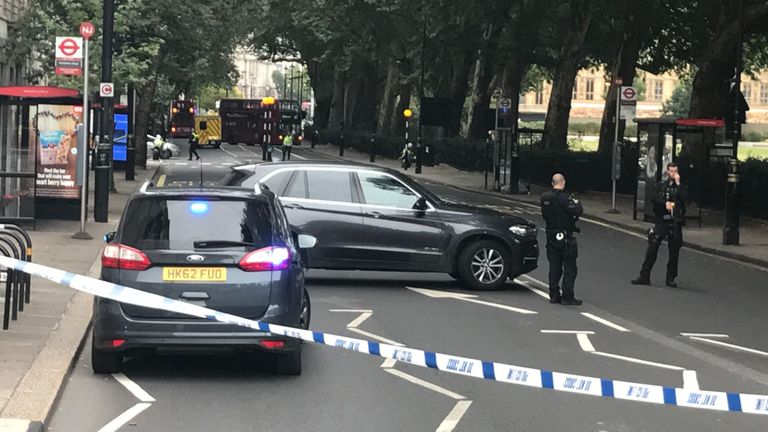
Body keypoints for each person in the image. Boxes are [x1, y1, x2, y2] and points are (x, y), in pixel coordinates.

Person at [632, 162, 688, 287]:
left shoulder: (681, 187)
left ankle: (671, 277)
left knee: (674, 250)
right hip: (662, 220)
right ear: (667, 172)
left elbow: (685, 198)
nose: (673, 174)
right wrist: (665, 203)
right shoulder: (661, 185)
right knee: (653, 246)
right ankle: (644, 275)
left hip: (675, 221)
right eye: (671, 171)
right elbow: (653, 198)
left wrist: (678, 184)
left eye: (675, 171)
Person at [540, 173, 584, 305]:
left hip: (551, 235)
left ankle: (553, 295)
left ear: (552, 183)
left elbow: (545, 215)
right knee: (570, 268)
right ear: (563, 182)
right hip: (566, 236)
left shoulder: (545, 198)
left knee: (554, 266)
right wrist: (577, 204)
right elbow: (577, 211)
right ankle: (567, 296)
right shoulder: (565, 198)